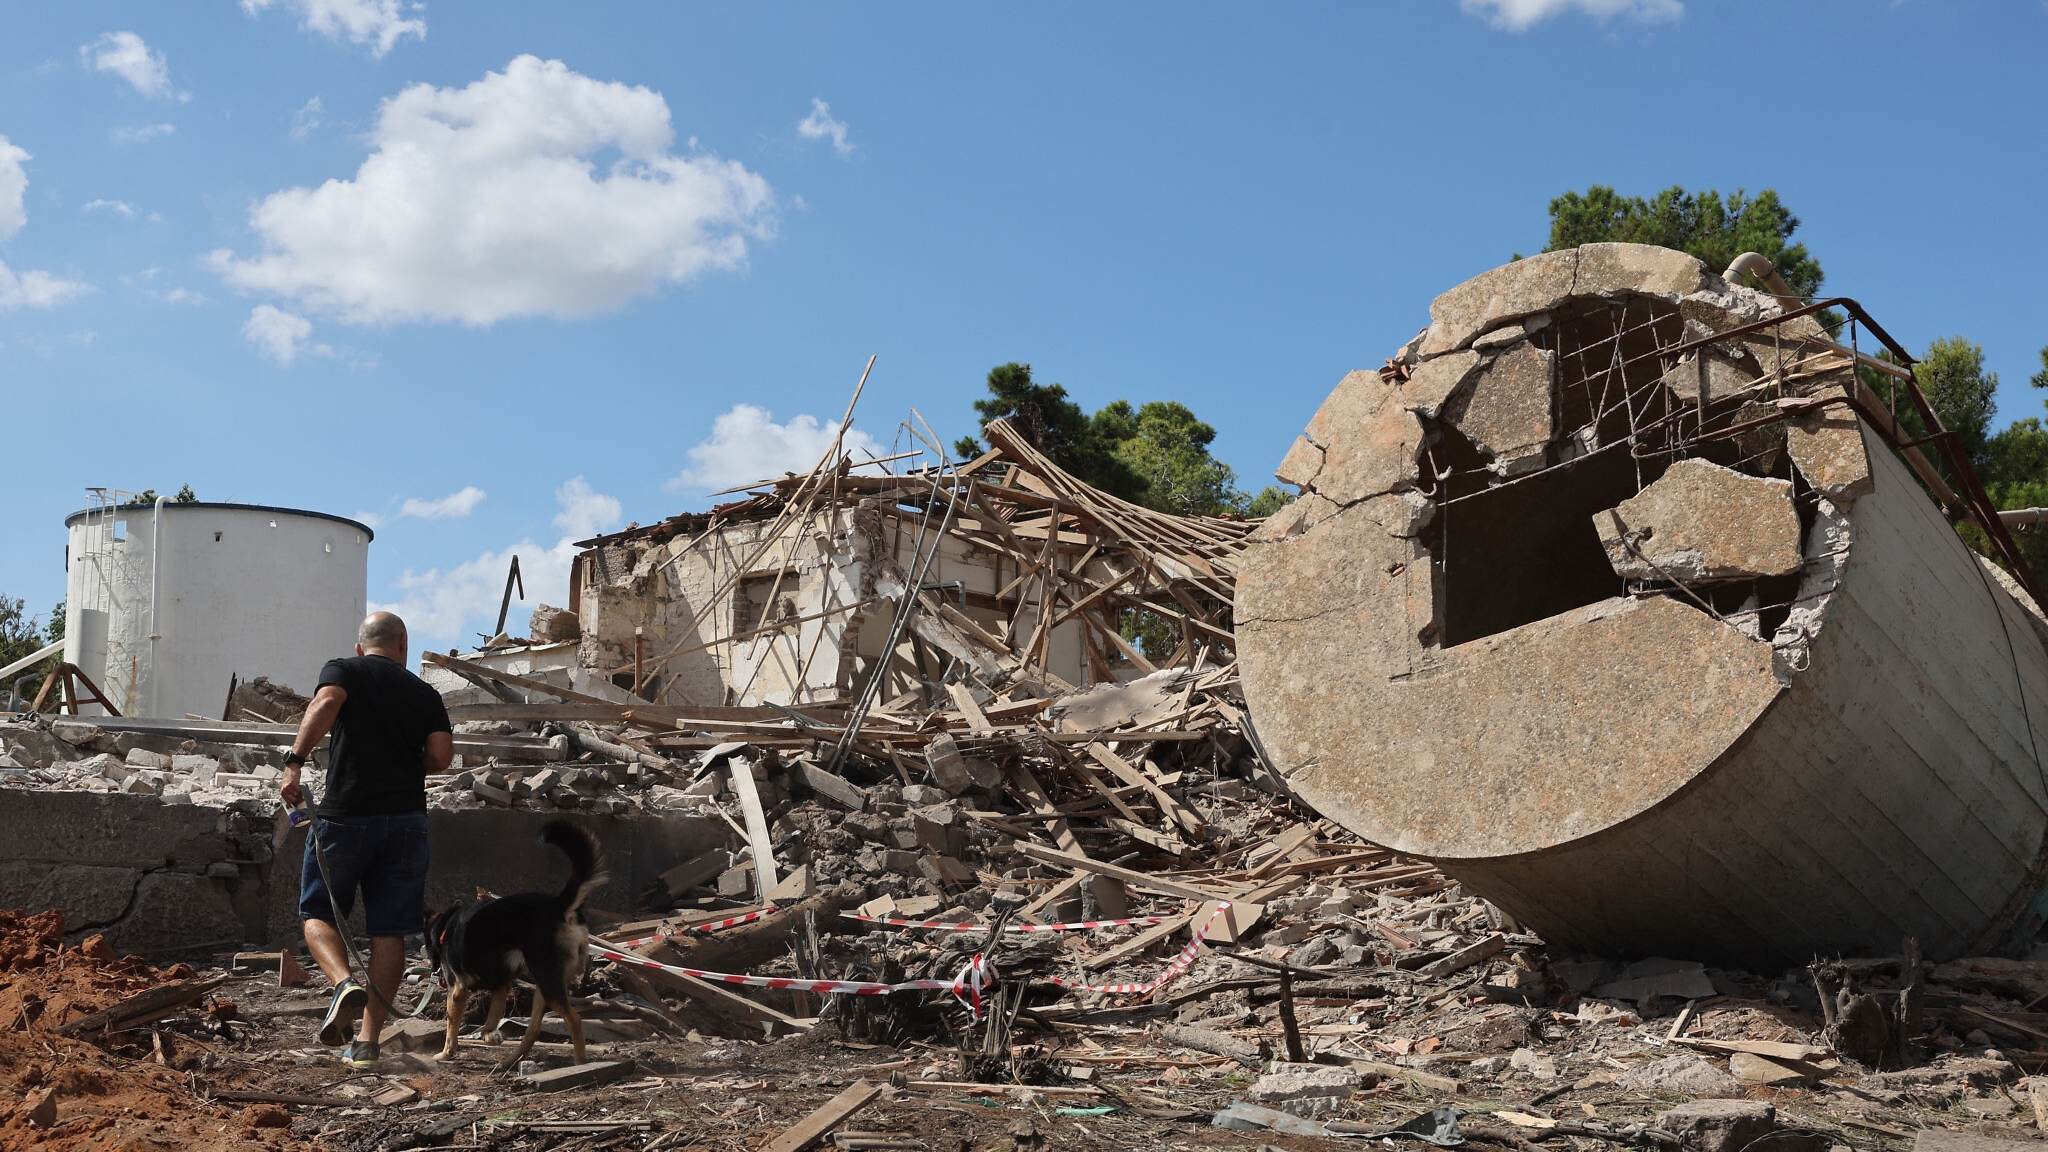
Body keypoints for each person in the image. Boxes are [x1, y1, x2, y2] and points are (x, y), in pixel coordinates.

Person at [280, 611, 453, 1068]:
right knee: (389, 930)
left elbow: (326, 704)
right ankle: (367, 1042)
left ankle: (343, 984)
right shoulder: (425, 692)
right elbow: (440, 757)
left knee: (317, 912)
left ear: (361, 647)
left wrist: (294, 760)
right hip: (407, 822)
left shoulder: (344, 669)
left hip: (347, 817)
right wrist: (403, 762)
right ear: (403, 645)